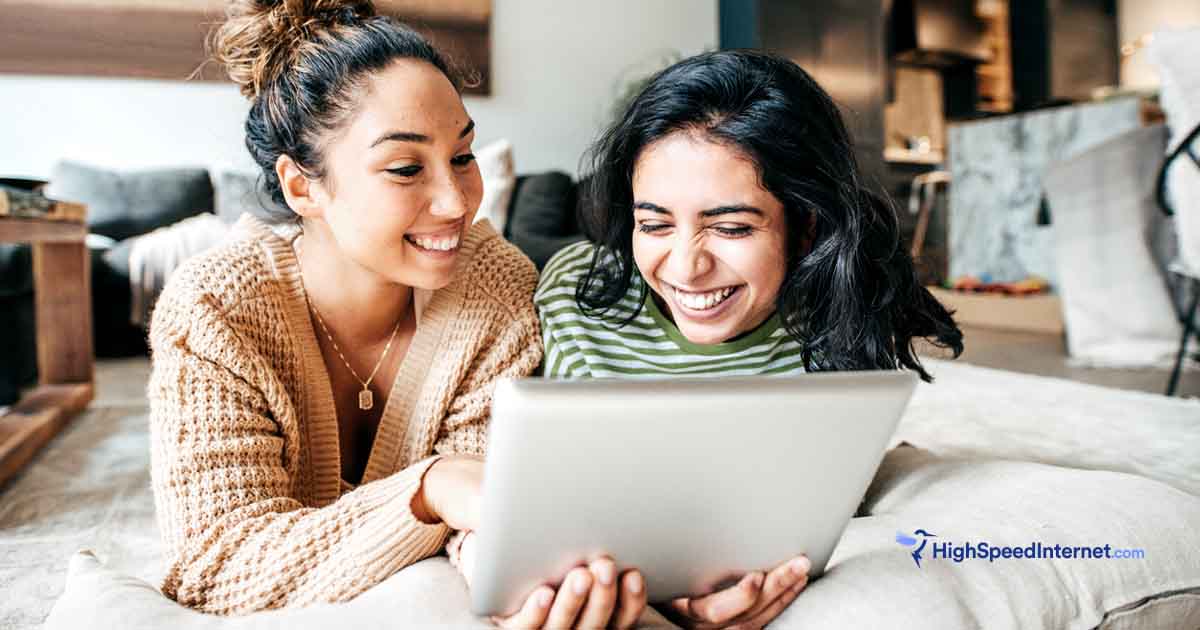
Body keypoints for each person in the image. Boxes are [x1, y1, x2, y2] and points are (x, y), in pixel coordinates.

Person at [148, 3, 644, 626]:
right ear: (303, 187)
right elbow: (212, 570)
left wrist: (512, 572)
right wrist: (429, 488)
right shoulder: (216, 308)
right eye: (406, 168)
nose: (456, 201)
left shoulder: (495, 286)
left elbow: (483, 515)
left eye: (463, 157)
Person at [530, 49, 964, 628]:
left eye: (731, 227)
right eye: (654, 224)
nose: (686, 268)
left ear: (806, 224)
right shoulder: (574, 292)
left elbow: (821, 498)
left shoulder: (839, 313)